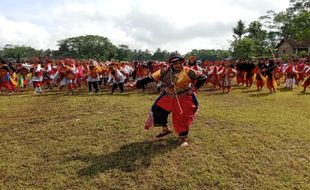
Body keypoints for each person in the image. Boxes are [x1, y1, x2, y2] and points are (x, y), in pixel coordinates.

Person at [136, 53, 207, 147]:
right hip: (168, 95)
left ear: (183, 62)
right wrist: (137, 84)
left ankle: (183, 139)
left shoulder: (188, 71)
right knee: (157, 109)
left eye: (180, 63)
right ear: (171, 64)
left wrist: (193, 89)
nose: (178, 65)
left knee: (181, 117)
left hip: (184, 97)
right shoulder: (164, 71)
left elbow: (203, 77)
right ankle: (166, 128)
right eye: (175, 63)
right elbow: (150, 78)